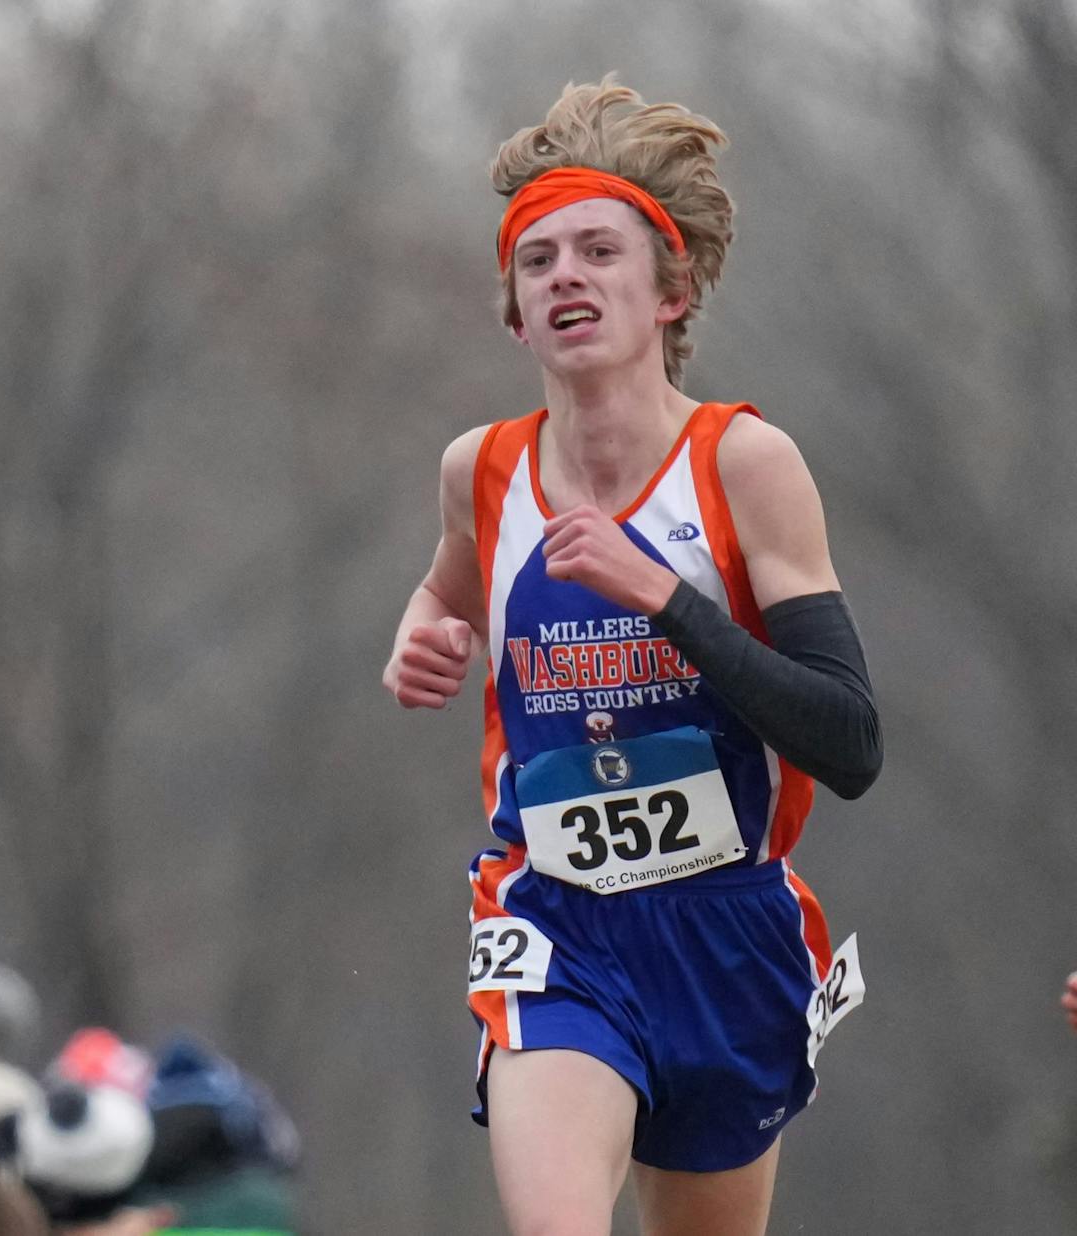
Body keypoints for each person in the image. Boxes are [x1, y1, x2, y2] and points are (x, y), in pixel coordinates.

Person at [381, 78, 882, 1235]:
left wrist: (664, 597)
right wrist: (420, 639)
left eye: (599, 251)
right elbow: (444, 590)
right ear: (515, 315)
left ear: (671, 291)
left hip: (728, 930)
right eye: (538, 259)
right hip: (556, 920)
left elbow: (850, 743)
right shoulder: (481, 472)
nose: (566, 275)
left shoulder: (744, 465)